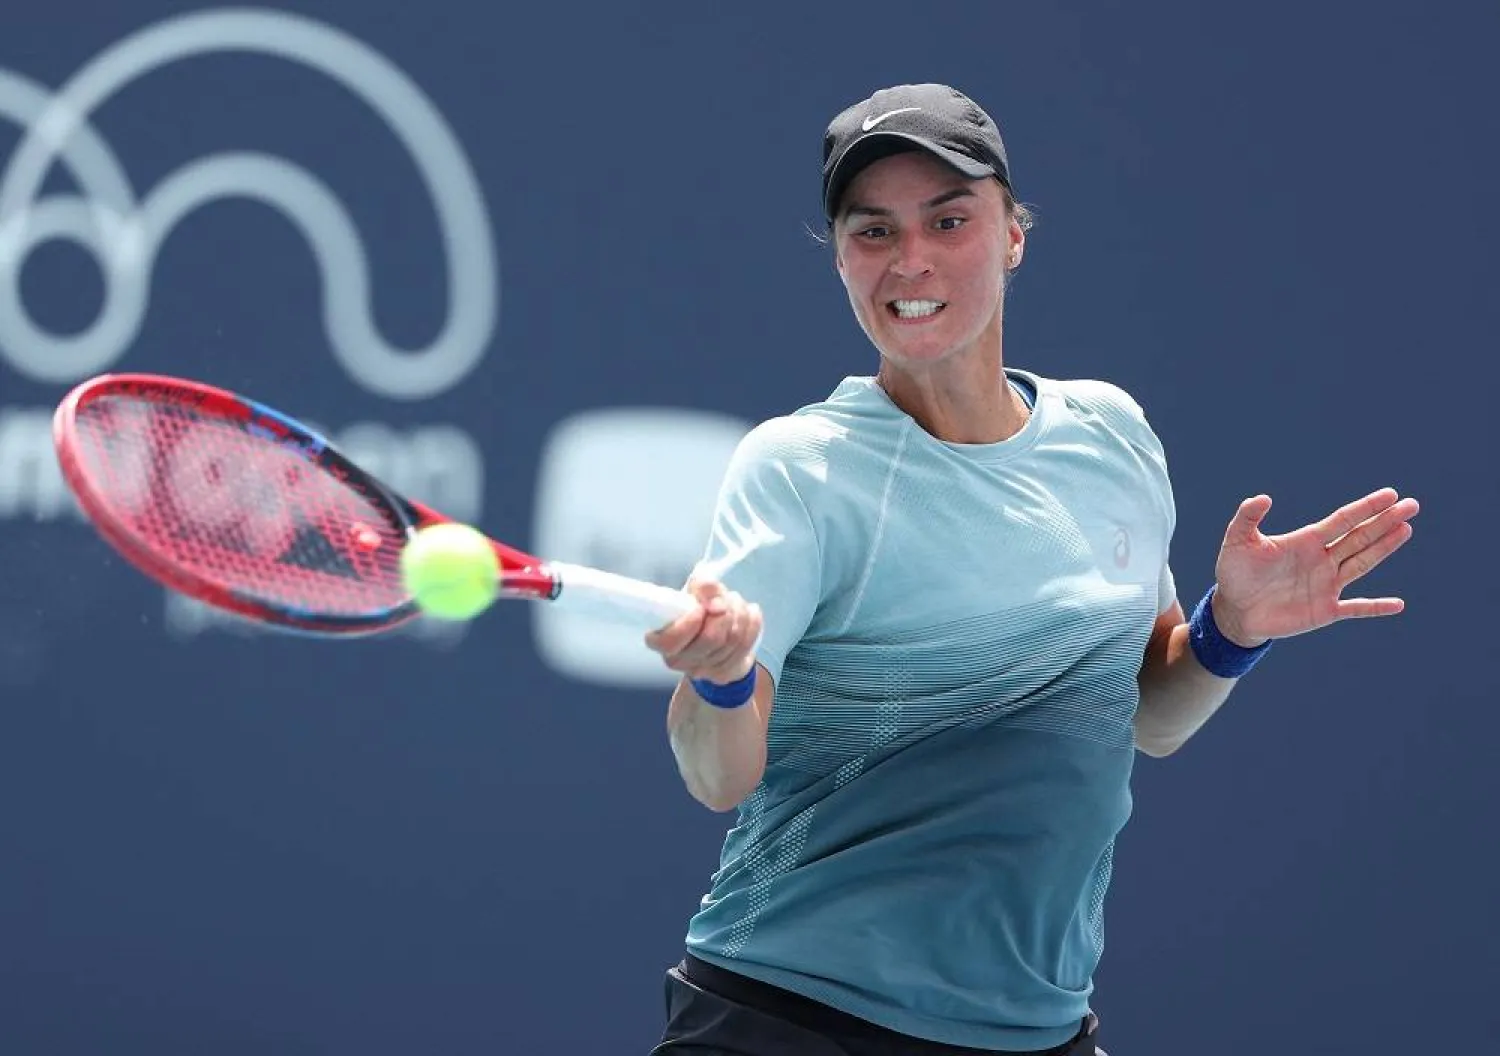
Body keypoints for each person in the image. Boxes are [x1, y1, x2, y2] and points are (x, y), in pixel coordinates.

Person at [643, 83, 1418, 1056]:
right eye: (873, 231)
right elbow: (718, 776)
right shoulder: (802, 469)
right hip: (790, 1019)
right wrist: (716, 680)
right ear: (840, 257)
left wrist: (1232, 631)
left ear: (1014, 233)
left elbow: (1143, 716)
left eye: (949, 219)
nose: (911, 259)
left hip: (1038, 1032)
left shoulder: (1112, 436)